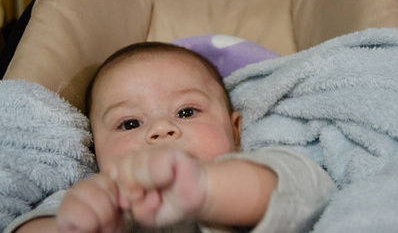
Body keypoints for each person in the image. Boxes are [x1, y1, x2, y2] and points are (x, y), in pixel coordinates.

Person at [13, 42, 336, 233]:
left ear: (235, 132)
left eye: (186, 112)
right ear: (96, 153)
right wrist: (77, 224)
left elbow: (310, 191)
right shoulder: (94, 196)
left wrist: (208, 189)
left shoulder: (255, 170)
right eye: (129, 124)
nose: (159, 129)